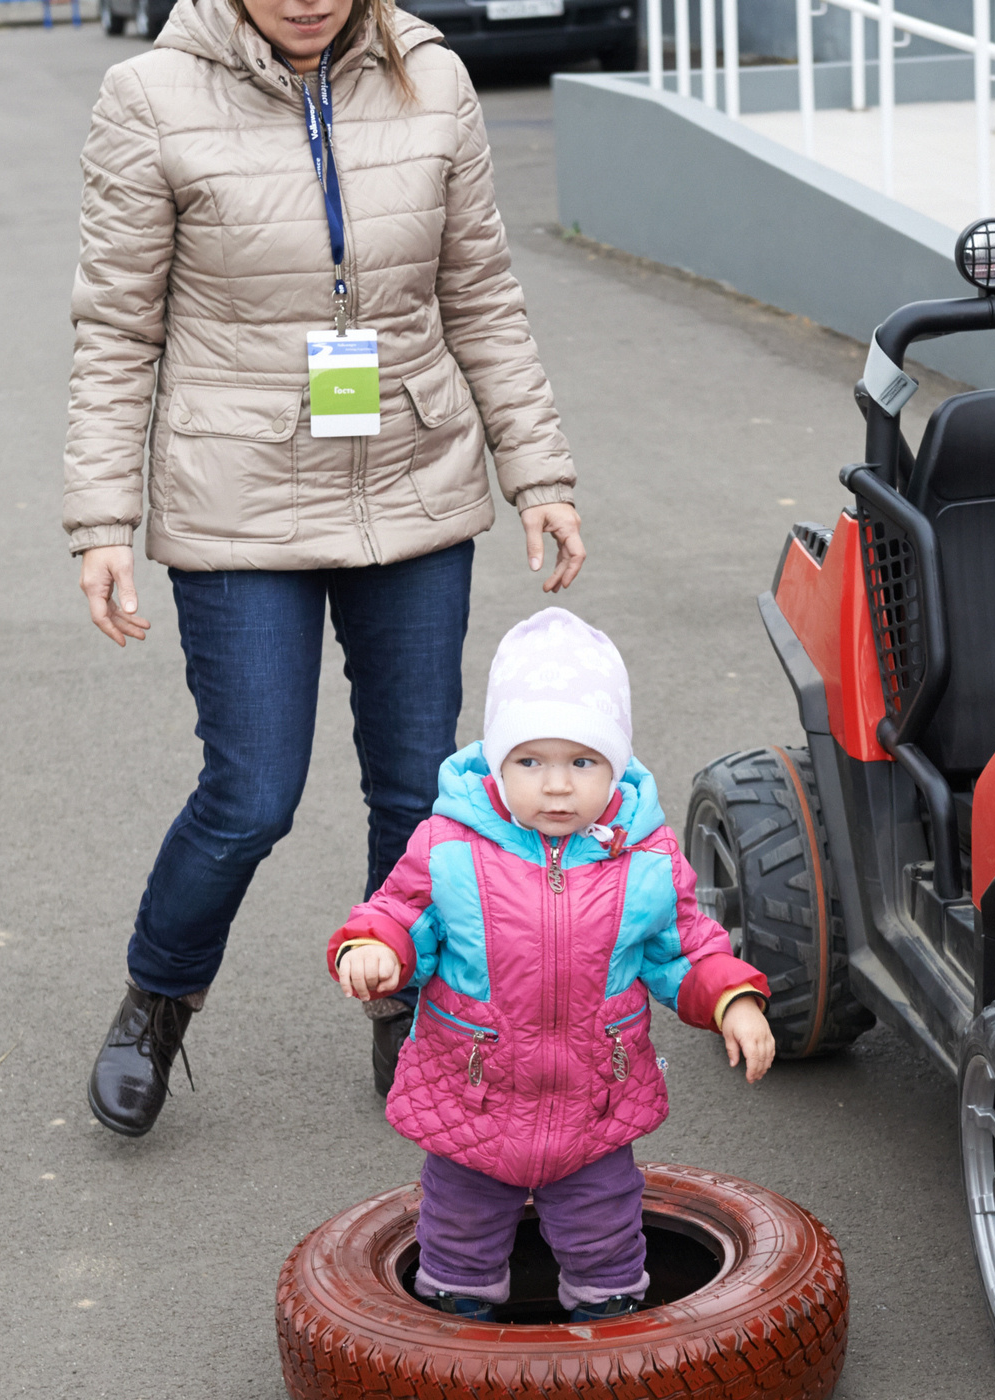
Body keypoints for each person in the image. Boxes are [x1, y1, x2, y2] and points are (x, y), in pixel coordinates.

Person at [65, 0, 588, 1138]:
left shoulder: (431, 77)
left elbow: (482, 294)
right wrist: (103, 519)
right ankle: (160, 995)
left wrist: (538, 470)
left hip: (412, 479)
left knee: (416, 785)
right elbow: (117, 329)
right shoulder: (150, 97)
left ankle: (405, 1005)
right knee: (251, 793)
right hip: (238, 494)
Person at [328, 609, 776, 1321]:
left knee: (606, 1235)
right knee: (458, 1235)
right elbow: (400, 911)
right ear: (497, 762)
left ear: (616, 764)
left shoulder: (645, 859)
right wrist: (375, 948)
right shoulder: (451, 846)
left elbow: (686, 946)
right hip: (473, 1100)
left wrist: (733, 999)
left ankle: (609, 1324)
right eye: (531, 762)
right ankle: (455, 1325)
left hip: (593, 1104)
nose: (558, 785)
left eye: (582, 762)